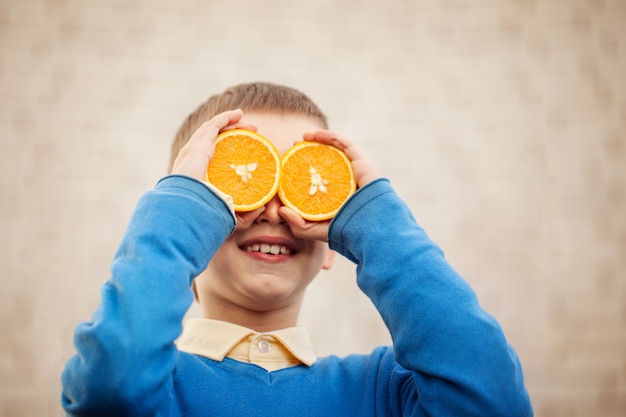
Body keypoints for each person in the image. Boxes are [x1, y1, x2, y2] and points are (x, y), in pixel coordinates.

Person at [61, 82, 533, 416]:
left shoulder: (382, 391)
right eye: (236, 181)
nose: (271, 211)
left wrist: (376, 222)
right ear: (194, 225)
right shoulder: (157, 387)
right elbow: (113, 385)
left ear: (332, 245)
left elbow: (492, 399)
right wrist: (182, 204)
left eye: (300, 187)